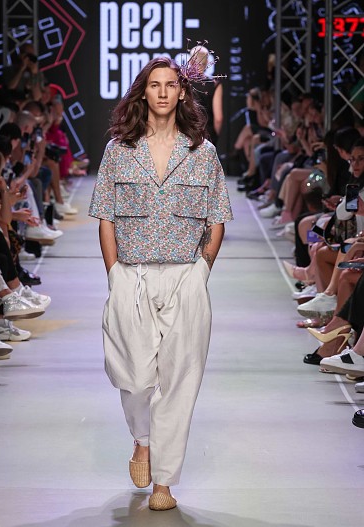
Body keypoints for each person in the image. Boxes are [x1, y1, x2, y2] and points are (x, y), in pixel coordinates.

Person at [89, 55, 233, 511]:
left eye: (171, 84)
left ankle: (164, 483)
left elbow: (216, 219)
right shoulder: (119, 150)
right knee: (132, 375)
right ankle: (143, 439)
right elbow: (106, 217)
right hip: (130, 274)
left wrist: (202, 270)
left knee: (179, 380)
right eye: (155, 84)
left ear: (182, 91)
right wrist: (113, 273)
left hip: (185, 275)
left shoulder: (202, 153)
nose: (164, 92)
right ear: (144, 92)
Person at [188, 44, 224, 146]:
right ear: (207, 62)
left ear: (190, 62)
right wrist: (214, 137)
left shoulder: (183, 82)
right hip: (207, 137)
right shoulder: (214, 85)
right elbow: (218, 118)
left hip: (186, 134)